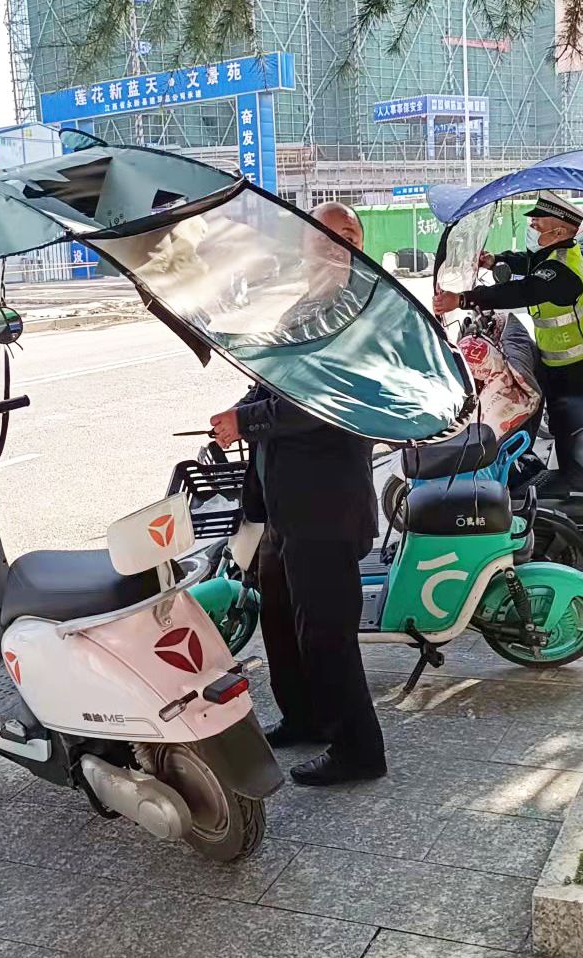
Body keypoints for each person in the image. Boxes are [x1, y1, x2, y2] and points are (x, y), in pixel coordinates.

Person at [209, 202, 386, 787]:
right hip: (283, 500)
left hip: (327, 504)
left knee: (326, 630)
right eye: (325, 236)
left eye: (349, 235)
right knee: (281, 616)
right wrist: (240, 410)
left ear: (362, 244)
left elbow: (329, 403)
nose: (336, 245)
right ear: (305, 245)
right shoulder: (304, 308)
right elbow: (271, 382)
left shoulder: (363, 312)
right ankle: (304, 717)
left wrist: (250, 422)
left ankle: (358, 749)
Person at [433, 191, 583, 479]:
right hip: (565, 367)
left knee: (581, 436)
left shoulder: (560, 271)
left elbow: (524, 290)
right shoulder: (550, 256)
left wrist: (463, 300)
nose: (532, 230)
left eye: (538, 226)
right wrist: (494, 259)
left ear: (558, 232)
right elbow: (527, 261)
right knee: (564, 430)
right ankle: (574, 484)